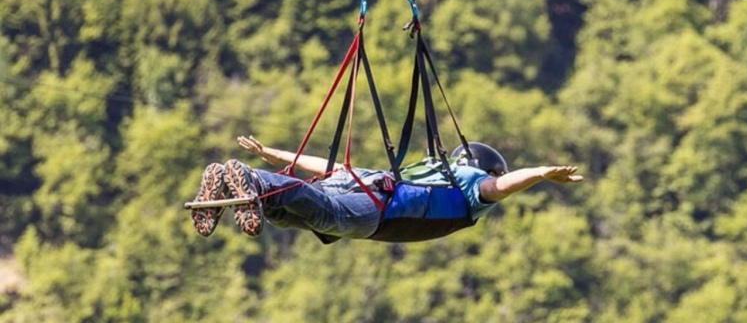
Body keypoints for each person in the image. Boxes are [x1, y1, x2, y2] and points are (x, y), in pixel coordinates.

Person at [190, 135, 582, 241]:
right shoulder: (470, 185)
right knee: (325, 214)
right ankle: (252, 181)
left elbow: (332, 168)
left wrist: (272, 153)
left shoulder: (421, 172)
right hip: (377, 207)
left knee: (291, 216)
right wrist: (541, 172)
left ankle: (236, 188)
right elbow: (502, 186)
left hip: (365, 185)